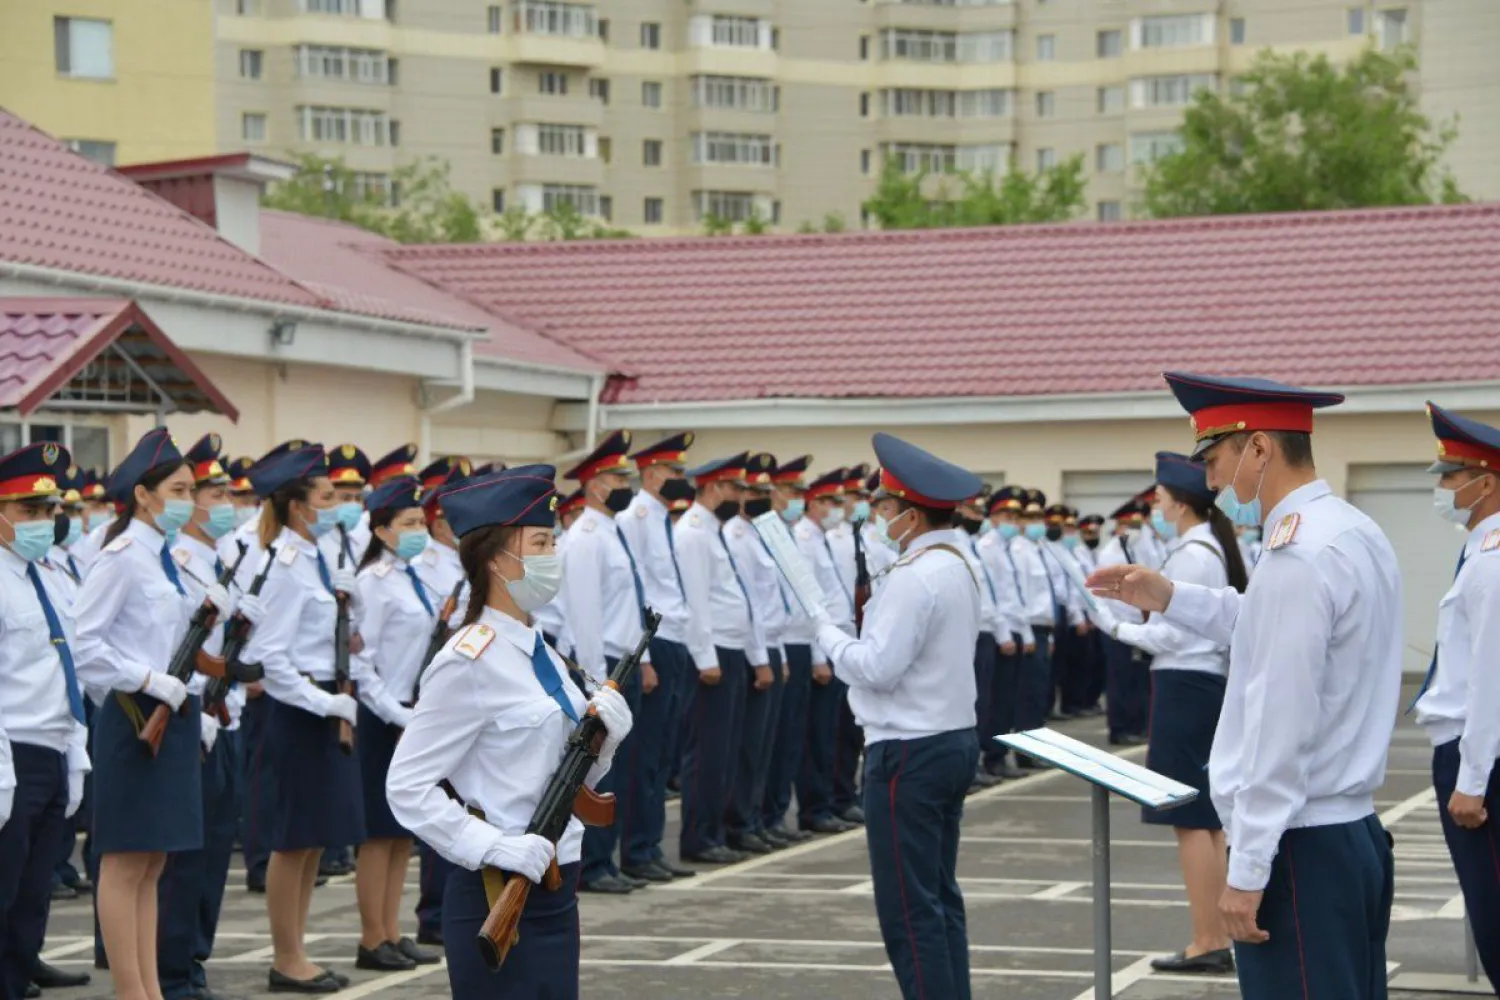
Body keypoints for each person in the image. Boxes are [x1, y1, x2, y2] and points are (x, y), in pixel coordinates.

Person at [1087, 371, 1401, 1000]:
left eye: (1216, 459)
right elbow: (1262, 624)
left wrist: (1249, 868)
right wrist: (1169, 596)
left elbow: (1278, 726)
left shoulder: (1298, 556)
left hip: (1299, 847)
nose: (1209, 482)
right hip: (1347, 833)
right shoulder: (1346, 531)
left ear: (1258, 449)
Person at [385, 466, 634, 1000]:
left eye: (553, 540)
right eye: (541, 542)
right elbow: (406, 786)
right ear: (498, 559)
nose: (553, 555)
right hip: (495, 888)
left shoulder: (541, 647)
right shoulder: (468, 660)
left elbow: (558, 768)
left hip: (559, 883)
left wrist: (606, 743)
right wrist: (492, 845)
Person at [812, 432, 982, 1000]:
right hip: (949, 738)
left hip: (909, 748)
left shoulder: (915, 575)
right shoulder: (955, 563)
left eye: (883, 508)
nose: (876, 518)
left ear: (909, 515)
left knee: (909, 912)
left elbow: (878, 667)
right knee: (937, 898)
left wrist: (831, 639)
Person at [241, 443, 405, 993]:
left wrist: (350, 611)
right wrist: (322, 702)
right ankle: (287, 958)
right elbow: (272, 655)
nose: (339, 505)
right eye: (327, 496)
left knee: (313, 840)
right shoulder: (285, 564)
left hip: (327, 704)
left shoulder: (317, 556)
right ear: (297, 506)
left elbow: (339, 637)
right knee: (293, 841)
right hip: (299, 713)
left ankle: (299, 951)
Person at [72, 429, 221, 1000]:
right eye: (179, 488)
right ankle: (131, 992)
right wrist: (147, 679)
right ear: (144, 494)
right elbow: (87, 644)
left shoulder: (167, 559)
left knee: (154, 862)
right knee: (126, 861)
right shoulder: (122, 558)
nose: (190, 498)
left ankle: (149, 988)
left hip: (174, 718)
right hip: (136, 719)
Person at [1100, 451, 1246, 975]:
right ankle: (1215, 935)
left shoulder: (1192, 553)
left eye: (1160, 498)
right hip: (1197, 685)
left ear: (1180, 503)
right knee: (1206, 818)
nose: (1156, 507)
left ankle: (1207, 939)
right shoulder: (1204, 547)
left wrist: (1115, 627)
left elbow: (1173, 632)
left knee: (1189, 817)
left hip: (1185, 683)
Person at [156, 434, 256, 1000]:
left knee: (215, 855)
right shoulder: (176, 559)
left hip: (225, 719)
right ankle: (171, 970)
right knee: (183, 859)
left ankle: (193, 961)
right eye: (209, 490)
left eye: (222, 490)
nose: (222, 500)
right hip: (191, 718)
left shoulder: (220, 561)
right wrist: (200, 701)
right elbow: (173, 645)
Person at [1411, 403, 1500, 994]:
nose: (1443, 488)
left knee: (1493, 910)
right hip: (1474, 753)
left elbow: (1492, 674)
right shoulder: (1480, 550)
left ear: (1486, 482)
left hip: (1481, 761)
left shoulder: (1492, 562)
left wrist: (1472, 776)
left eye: (1452, 475)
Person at [0, 443, 92, 1000]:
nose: (44, 522)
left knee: (32, 902)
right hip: (11, 751)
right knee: (3, 893)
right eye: (29, 511)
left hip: (53, 749)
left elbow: (69, 668)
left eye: (49, 511)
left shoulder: (50, 576)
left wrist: (75, 750)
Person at [346, 476, 443, 972]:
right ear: (382, 530)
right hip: (385, 716)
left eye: (421, 522)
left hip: (415, 712)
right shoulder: (373, 583)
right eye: (408, 524)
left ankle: (393, 930)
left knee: (404, 831)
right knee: (377, 834)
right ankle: (371, 938)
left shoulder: (416, 576)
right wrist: (396, 713)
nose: (418, 531)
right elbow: (362, 665)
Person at [559, 431, 649, 893]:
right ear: (594, 484)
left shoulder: (610, 532)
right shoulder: (586, 537)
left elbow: (628, 604)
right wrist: (599, 681)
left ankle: (609, 861)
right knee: (599, 768)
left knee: (626, 767)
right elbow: (585, 614)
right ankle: (593, 864)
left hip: (623, 661)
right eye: (617, 476)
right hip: (603, 666)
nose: (625, 484)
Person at [675, 453, 766, 864]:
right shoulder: (694, 531)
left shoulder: (714, 529)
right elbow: (696, 601)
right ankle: (699, 837)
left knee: (725, 750)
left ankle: (714, 832)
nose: (740, 496)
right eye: (734, 488)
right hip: (713, 656)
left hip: (731, 649)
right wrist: (705, 656)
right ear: (712, 488)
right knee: (707, 752)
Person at [616, 433, 699, 882]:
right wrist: (642, 655)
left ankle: (650, 846)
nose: (681, 480)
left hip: (675, 638)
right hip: (654, 640)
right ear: (650, 475)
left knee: (663, 749)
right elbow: (638, 590)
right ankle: (636, 849)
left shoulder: (661, 517)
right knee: (643, 753)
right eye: (674, 472)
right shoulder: (636, 517)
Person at [723, 453, 790, 854]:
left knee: (764, 746)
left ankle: (757, 819)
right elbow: (748, 605)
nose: (762, 497)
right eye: (754, 490)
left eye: (766, 490)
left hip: (771, 646)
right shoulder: (734, 535)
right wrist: (762, 658)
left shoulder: (760, 533)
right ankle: (740, 823)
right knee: (746, 748)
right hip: (751, 652)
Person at [793, 468, 858, 834]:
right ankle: (815, 807)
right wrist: (820, 656)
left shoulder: (825, 538)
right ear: (815, 503)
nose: (839, 507)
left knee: (836, 732)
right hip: (822, 646)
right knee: (818, 736)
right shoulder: (804, 537)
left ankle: (833, 801)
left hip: (840, 644)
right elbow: (810, 601)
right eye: (832, 501)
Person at [760, 455, 819, 844]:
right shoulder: (765, 532)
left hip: (795, 642)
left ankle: (775, 814)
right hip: (775, 642)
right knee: (771, 741)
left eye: (800, 492)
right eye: (789, 491)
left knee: (790, 737)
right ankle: (763, 817)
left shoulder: (791, 532)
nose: (795, 498)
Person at [976, 487, 1032, 780]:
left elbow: (1013, 596)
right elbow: (991, 596)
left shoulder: (1007, 548)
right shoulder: (986, 547)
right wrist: (1003, 633)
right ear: (994, 517)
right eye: (1007, 515)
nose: (1013, 520)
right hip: (999, 633)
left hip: (1012, 628)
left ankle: (999, 753)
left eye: (1015, 515)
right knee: (992, 701)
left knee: (1007, 700)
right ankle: (992, 756)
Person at [953, 491, 1004, 791]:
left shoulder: (971, 545)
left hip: (983, 631)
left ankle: (972, 765)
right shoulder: (955, 543)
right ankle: (965, 770)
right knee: (967, 704)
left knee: (981, 704)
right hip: (970, 633)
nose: (979, 518)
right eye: (974, 511)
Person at [1097, 500, 1151, 746]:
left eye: (1138, 524)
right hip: (1118, 626)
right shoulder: (1110, 554)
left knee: (1137, 678)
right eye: (1131, 524)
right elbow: (1108, 596)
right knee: (1120, 679)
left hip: (1139, 625)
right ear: (1119, 526)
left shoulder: (1137, 549)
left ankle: (1136, 724)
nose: (1136, 530)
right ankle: (1119, 728)